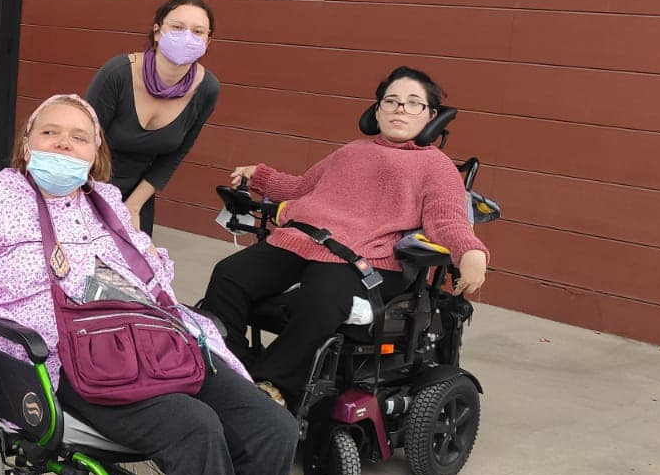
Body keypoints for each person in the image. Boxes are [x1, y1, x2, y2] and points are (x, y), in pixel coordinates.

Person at [0, 94, 297, 475]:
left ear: (96, 152)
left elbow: (153, 278)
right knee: (198, 429)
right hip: (60, 359)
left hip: (150, 343)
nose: (64, 145)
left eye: (79, 137)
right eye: (50, 132)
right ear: (26, 142)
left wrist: (149, 266)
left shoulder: (107, 201)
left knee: (273, 429)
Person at [200, 65, 491, 406]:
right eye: (391, 101)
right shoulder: (351, 152)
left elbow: (447, 220)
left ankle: (271, 387)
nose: (400, 108)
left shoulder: (436, 167)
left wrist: (470, 251)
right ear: (377, 110)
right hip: (303, 239)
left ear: (431, 116)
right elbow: (301, 187)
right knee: (230, 275)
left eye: (413, 103)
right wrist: (259, 176)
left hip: (366, 258)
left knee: (321, 296)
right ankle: (230, 370)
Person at [86, 0, 220, 234]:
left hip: (138, 194)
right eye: (177, 27)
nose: (187, 37)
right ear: (158, 32)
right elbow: (82, 141)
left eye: (198, 31)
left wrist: (133, 207)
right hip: (87, 184)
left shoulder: (207, 89)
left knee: (138, 266)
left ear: (208, 42)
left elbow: (176, 154)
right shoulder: (117, 73)